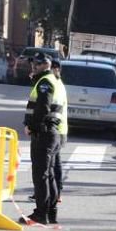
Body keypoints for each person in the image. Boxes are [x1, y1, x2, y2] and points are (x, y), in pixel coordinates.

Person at [21, 53, 67, 225]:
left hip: (44, 133)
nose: (33, 67)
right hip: (53, 133)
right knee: (49, 176)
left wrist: (32, 126)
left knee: (41, 175)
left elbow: (43, 108)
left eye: (35, 64)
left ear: (42, 65)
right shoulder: (55, 80)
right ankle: (51, 212)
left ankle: (41, 213)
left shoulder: (45, 82)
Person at [51, 60, 67, 201]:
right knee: (54, 162)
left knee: (53, 164)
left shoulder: (56, 84)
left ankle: (55, 192)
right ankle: (56, 192)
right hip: (59, 129)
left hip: (57, 129)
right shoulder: (58, 83)